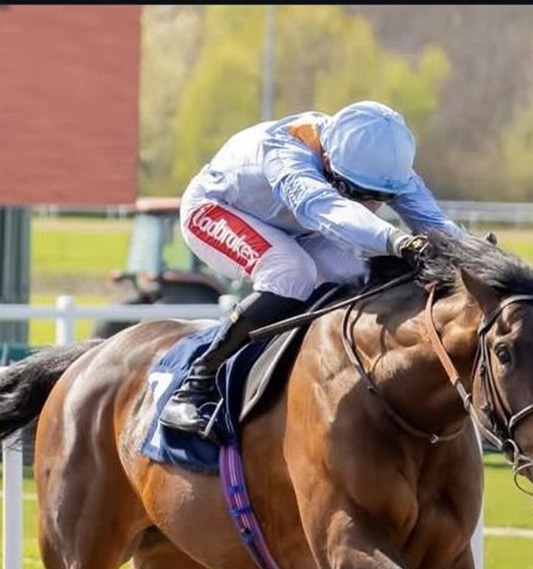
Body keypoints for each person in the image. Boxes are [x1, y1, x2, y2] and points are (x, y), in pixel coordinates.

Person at [158, 99, 464, 435]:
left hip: (298, 226)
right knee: (291, 273)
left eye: (380, 197)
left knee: (357, 276)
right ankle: (194, 383)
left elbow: (434, 223)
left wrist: (472, 255)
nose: (370, 205)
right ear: (329, 161)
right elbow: (330, 211)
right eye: (358, 193)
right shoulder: (286, 154)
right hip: (216, 208)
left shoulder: (381, 165)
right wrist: (398, 241)